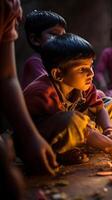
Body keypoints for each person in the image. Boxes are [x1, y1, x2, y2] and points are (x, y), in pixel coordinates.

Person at [23, 33, 112, 164]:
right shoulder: (43, 92)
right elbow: (67, 125)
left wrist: (109, 132)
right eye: (82, 69)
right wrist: (107, 144)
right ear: (58, 74)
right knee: (73, 121)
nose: (91, 73)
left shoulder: (84, 86)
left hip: (79, 129)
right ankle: (61, 155)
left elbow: (99, 109)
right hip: (40, 141)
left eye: (91, 66)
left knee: (109, 103)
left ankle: (85, 143)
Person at [0, 0, 58, 199]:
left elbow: (7, 76)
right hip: (43, 119)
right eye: (54, 35)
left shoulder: (9, 6)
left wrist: (30, 137)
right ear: (34, 39)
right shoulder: (36, 65)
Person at [21, 10, 66, 89]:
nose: (61, 39)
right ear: (35, 40)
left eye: (63, 36)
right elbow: (51, 89)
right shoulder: (35, 62)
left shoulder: (57, 64)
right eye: (54, 34)